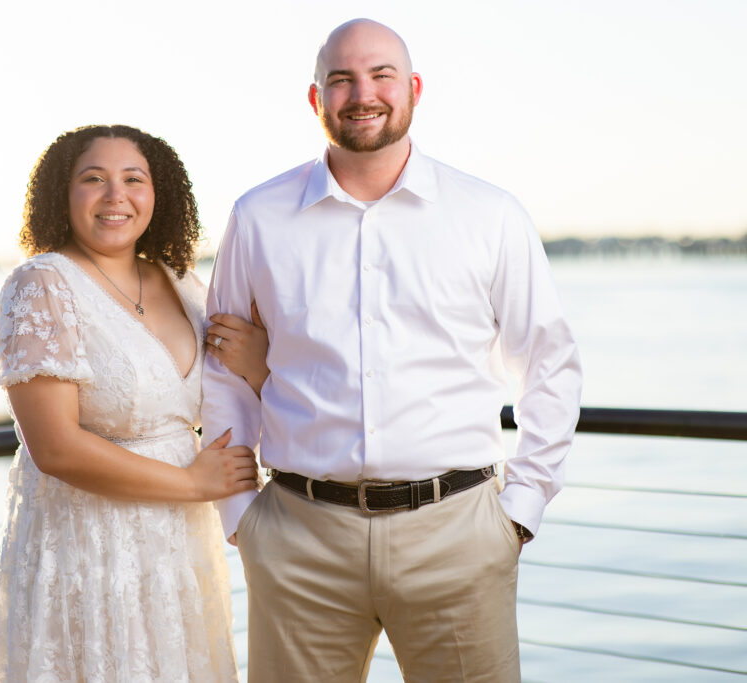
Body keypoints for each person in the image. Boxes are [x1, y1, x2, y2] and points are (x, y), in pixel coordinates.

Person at [202, 18, 583, 682]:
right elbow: (223, 374)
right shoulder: (258, 217)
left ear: (413, 89)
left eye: (380, 75)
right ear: (316, 100)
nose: (362, 93)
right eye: (341, 79)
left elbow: (549, 365)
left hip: (458, 535)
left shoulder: (488, 215)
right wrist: (242, 518)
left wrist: (520, 511)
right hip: (298, 536)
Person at [0, 124, 267, 682]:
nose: (116, 196)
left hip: (179, 551)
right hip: (88, 549)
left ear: (159, 196)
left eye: (134, 179)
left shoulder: (181, 281)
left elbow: (226, 393)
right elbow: (55, 448)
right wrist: (194, 483)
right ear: (64, 194)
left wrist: (258, 366)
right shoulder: (41, 284)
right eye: (94, 179)